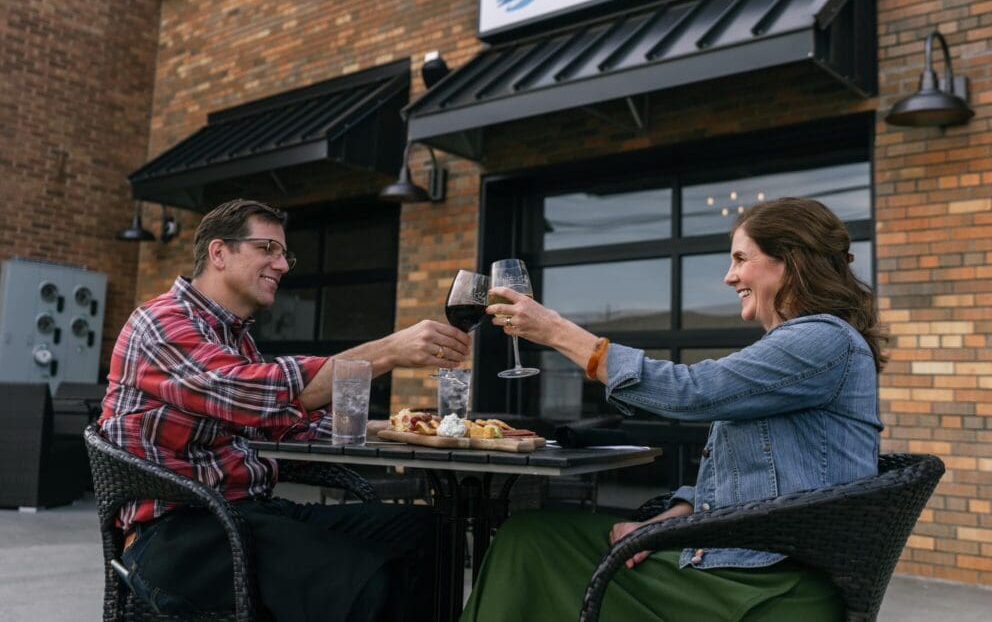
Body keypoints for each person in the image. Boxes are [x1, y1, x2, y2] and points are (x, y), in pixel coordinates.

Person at [464, 197, 886, 621]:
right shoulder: (811, 344)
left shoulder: (822, 340)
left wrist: (557, 332)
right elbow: (750, 480)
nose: (729, 276)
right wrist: (669, 519)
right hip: (748, 563)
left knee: (530, 540)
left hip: (773, 585)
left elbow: (693, 392)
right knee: (531, 535)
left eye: (741, 258)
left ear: (790, 261)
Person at [100, 199, 470, 622]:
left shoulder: (233, 337)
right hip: (179, 535)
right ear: (219, 253)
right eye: (267, 249)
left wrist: (394, 428)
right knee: (369, 581)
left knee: (432, 533)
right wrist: (389, 351)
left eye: (284, 253)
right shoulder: (162, 322)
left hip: (247, 514)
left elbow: (279, 423)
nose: (283, 265)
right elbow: (255, 394)